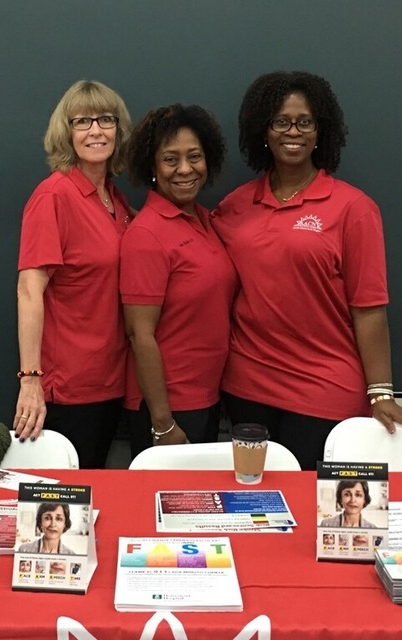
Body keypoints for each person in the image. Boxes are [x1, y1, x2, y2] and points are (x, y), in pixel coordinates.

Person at [212, 71, 402, 469]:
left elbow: (369, 308)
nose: (293, 132)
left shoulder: (354, 209)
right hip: (247, 384)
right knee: (254, 497)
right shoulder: (236, 205)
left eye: (305, 122)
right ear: (263, 130)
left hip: (324, 388)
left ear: (321, 131)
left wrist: (381, 393)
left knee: (311, 499)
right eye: (281, 122)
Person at [14, 80, 132, 468]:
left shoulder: (115, 199)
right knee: (69, 497)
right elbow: (29, 290)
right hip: (69, 389)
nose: (96, 130)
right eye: (82, 121)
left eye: (106, 119)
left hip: (112, 381)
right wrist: (30, 380)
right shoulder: (54, 196)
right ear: (66, 132)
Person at [120, 104, 236, 456]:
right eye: (171, 159)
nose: (185, 169)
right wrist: (163, 423)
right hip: (169, 408)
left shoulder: (206, 220)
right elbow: (140, 335)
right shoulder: (146, 235)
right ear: (153, 168)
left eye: (194, 157)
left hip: (206, 398)